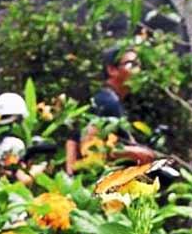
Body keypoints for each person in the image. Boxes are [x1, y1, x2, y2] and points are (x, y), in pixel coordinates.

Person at [66, 46, 155, 174]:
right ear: (112, 70)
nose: (138, 70)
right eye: (132, 64)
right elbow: (89, 147)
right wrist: (135, 152)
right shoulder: (108, 102)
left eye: (139, 65)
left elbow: (72, 138)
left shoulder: (106, 99)